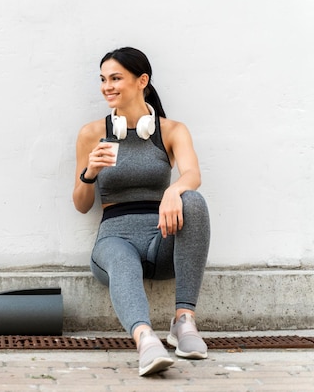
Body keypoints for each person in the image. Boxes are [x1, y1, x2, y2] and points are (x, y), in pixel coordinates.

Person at [73, 47, 211, 376]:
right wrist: (89, 172)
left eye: (116, 78)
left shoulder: (172, 130)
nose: (108, 86)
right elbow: (81, 205)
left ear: (141, 81)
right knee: (121, 259)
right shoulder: (92, 133)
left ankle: (184, 322)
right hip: (114, 239)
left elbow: (192, 175)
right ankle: (146, 341)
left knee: (194, 200)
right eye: (103, 80)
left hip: (160, 240)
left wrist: (174, 191)